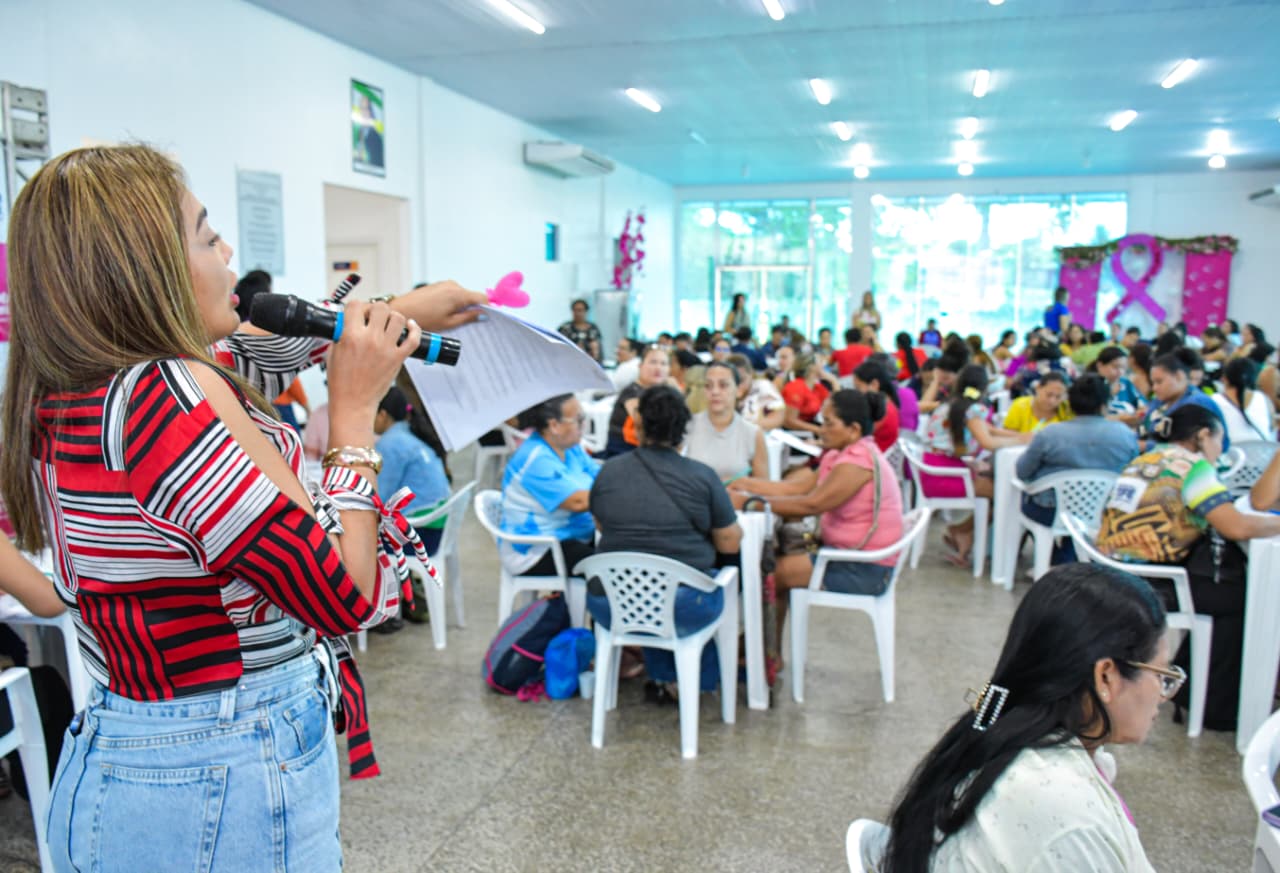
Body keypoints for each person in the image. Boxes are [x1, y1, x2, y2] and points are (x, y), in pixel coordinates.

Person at [0, 144, 489, 870]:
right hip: (223, 774)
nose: (227, 249)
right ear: (147, 272)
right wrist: (353, 412)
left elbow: (252, 354)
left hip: (137, 757)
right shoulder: (164, 398)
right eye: (205, 235)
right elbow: (344, 595)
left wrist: (391, 313)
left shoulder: (74, 385)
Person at [882, 563, 1171, 873]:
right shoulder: (1068, 815)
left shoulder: (993, 727)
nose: (1165, 694)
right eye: (1162, 675)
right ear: (1105, 677)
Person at [1098, 406, 1280, 730]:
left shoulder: (1152, 458)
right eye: (1219, 439)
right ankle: (1216, 705)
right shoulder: (1193, 468)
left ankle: (1194, 686)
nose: (1220, 449)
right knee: (1240, 600)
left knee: (1223, 589)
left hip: (1117, 571)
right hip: (1151, 581)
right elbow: (1235, 527)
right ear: (1203, 435)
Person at [589, 385, 742, 701]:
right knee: (703, 582)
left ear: (640, 425)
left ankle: (663, 677)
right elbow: (728, 540)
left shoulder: (608, 473)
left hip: (612, 603)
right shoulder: (702, 476)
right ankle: (699, 680)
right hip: (682, 606)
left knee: (642, 572)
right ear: (684, 431)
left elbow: (602, 525)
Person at [730, 390, 903, 638]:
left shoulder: (858, 461)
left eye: (829, 423)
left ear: (853, 429)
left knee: (772, 573)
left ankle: (758, 653)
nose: (822, 429)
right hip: (846, 555)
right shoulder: (840, 453)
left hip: (864, 568)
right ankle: (766, 652)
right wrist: (745, 484)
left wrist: (750, 502)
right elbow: (796, 488)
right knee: (777, 560)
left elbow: (811, 505)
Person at [1016, 375, 1138, 564]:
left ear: (1070, 403)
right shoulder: (1125, 435)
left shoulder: (1050, 434)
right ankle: (1072, 557)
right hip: (1103, 511)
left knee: (1026, 503)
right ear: (1105, 404)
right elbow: (1132, 473)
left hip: (1051, 511)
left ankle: (1058, 560)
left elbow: (1022, 472)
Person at [921, 365, 1030, 563]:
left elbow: (989, 429)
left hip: (934, 470)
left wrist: (1022, 436)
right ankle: (991, 551)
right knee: (1006, 492)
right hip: (946, 475)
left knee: (996, 490)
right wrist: (1021, 440)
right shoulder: (973, 409)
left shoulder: (953, 404)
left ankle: (962, 532)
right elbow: (987, 441)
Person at [500, 394, 600, 579]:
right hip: (537, 548)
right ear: (554, 426)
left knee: (623, 547)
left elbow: (598, 475)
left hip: (572, 534)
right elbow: (577, 502)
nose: (583, 424)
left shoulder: (571, 447)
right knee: (606, 569)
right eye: (578, 419)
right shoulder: (536, 459)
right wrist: (619, 492)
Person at [374, 385, 451, 554]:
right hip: (435, 524)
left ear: (382, 415)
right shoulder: (409, 432)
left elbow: (380, 498)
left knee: (355, 541)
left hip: (420, 532)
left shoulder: (390, 443)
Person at [686, 362, 768, 483]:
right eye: (708, 385)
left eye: (723, 385)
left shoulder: (753, 433)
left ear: (739, 390)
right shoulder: (687, 426)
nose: (715, 392)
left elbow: (764, 487)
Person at [1138, 351, 1229, 451]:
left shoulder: (1196, 403)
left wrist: (1143, 446)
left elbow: (1183, 447)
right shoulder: (1161, 400)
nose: (1154, 388)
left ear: (1179, 376)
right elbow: (1143, 429)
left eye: (1159, 382)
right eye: (1153, 383)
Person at [605, 345, 670, 456]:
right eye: (653, 362)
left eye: (663, 363)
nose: (658, 368)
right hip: (624, 454)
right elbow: (647, 424)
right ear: (640, 365)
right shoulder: (632, 392)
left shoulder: (662, 392)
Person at [1211, 357, 1276, 443]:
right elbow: (1272, 427)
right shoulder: (1264, 399)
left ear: (1224, 378)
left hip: (1232, 454)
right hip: (1264, 452)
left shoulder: (1214, 400)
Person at [852, 359, 902, 452]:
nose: (856, 393)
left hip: (872, 459)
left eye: (858, 388)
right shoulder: (887, 403)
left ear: (874, 384)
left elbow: (854, 437)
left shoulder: (882, 410)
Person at [782, 353, 837, 435]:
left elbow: (836, 405)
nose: (823, 365)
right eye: (820, 362)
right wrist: (818, 430)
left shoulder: (817, 387)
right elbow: (789, 421)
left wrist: (834, 381)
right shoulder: (796, 387)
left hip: (808, 429)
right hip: (792, 433)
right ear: (812, 367)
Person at [1001, 371, 1071, 434]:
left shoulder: (1066, 410)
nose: (1052, 400)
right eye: (1049, 394)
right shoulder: (1020, 405)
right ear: (1038, 388)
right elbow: (1008, 435)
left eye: (1058, 397)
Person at [1092, 346, 1146, 426]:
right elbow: (1090, 418)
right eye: (1115, 367)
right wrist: (1120, 418)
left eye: (1123, 368)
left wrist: (1139, 414)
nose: (1120, 372)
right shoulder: (1091, 385)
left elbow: (1144, 406)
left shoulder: (1125, 384)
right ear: (1100, 365)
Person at [731, 353, 786, 431]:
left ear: (751, 374)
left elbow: (778, 418)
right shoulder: (722, 390)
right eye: (733, 381)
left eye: (742, 379)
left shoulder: (762, 386)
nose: (738, 384)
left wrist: (749, 425)